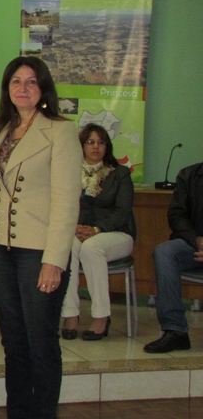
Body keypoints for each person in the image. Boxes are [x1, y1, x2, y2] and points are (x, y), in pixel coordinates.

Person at [0, 56, 81, 419]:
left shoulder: (60, 131)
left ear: (43, 88)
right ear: (7, 89)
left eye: (31, 82)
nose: (23, 88)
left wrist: (54, 260)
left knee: (41, 341)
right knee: (13, 342)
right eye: (16, 81)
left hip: (38, 252)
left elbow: (66, 201)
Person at [61, 124, 135, 341]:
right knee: (67, 247)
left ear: (107, 146)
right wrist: (74, 227)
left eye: (101, 142)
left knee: (92, 248)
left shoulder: (120, 174)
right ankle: (70, 314)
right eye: (90, 142)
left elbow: (122, 211)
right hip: (77, 232)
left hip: (116, 234)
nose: (96, 147)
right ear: (82, 146)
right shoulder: (69, 172)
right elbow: (63, 205)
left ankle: (101, 316)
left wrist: (97, 229)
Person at [143, 162, 203, 353]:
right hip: (194, 244)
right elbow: (177, 215)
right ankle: (175, 330)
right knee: (164, 252)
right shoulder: (189, 175)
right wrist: (196, 239)